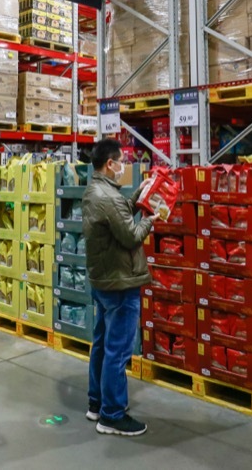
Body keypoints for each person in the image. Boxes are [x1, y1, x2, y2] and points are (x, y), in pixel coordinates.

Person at [83, 138, 162, 436]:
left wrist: (137, 195)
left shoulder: (95, 191)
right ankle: (112, 415)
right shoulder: (109, 197)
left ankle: (97, 404)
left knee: (102, 344)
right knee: (118, 350)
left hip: (103, 281)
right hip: (121, 282)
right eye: (121, 161)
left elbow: (116, 217)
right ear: (109, 164)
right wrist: (151, 219)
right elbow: (130, 236)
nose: (124, 166)